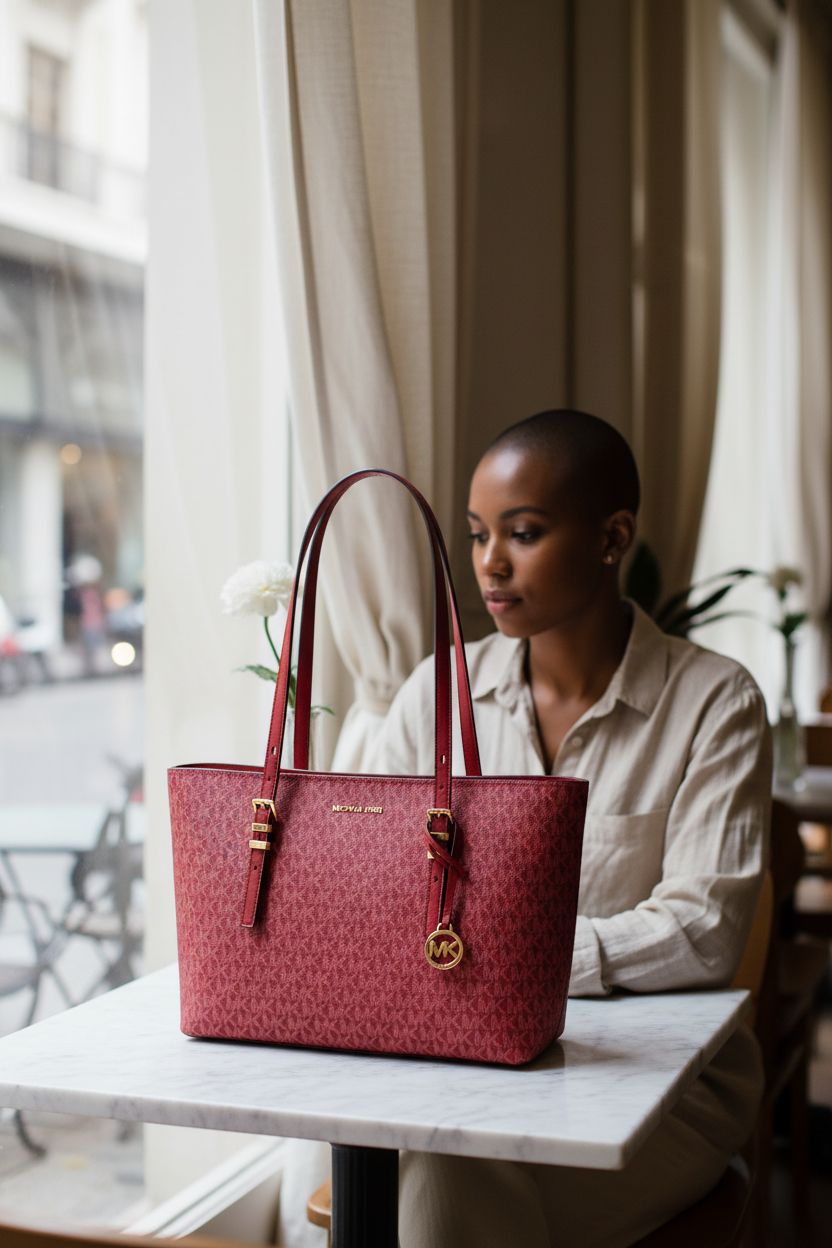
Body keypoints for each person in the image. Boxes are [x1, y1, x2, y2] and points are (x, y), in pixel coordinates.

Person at [371, 409, 771, 1248]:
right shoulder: (435, 693)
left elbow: (702, 932)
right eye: (479, 533)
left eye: (523, 532)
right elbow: (374, 887)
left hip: (662, 1089)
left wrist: (509, 965)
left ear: (611, 536)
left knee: (436, 1170)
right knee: (429, 1154)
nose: (488, 563)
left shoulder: (715, 703)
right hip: (465, 1066)